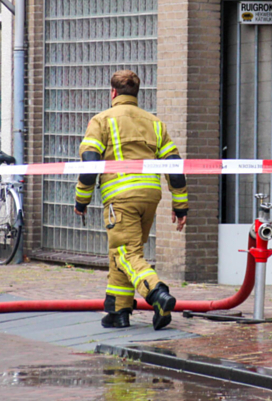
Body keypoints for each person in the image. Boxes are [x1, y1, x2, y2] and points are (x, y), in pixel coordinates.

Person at [73, 70, 188, 330]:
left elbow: (90, 163)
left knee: (126, 252)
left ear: (113, 92)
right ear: (136, 93)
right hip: (150, 196)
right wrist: (181, 205)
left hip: (120, 197)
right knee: (123, 251)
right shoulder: (155, 123)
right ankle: (118, 311)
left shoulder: (101, 121)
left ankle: (157, 294)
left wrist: (82, 200)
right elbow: (175, 167)